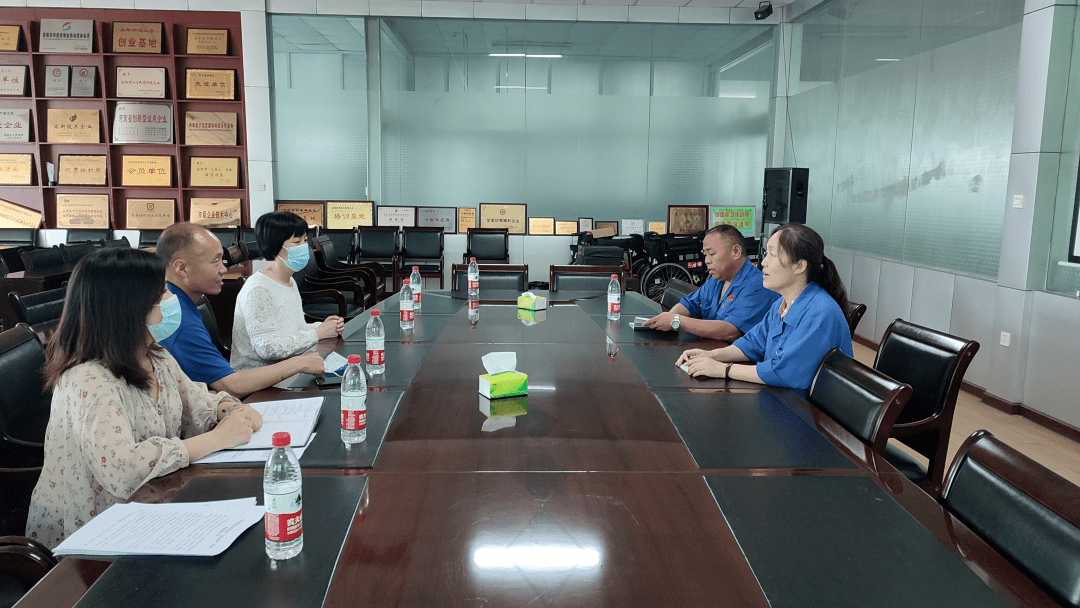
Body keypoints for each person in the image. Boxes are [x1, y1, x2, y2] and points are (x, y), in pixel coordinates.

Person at [26, 247, 263, 549]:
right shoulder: (87, 379)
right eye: (163, 291)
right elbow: (123, 471)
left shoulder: (154, 354)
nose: (171, 298)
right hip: (93, 532)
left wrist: (227, 410)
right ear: (129, 306)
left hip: (152, 504)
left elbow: (195, 400)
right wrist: (217, 439)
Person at [675, 223, 852, 394]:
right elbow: (752, 343)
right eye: (766, 254)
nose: (764, 262)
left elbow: (782, 371)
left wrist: (724, 369)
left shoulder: (819, 313)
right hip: (779, 396)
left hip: (804, 408)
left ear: (799, 266)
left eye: (772, 255)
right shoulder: (781, 304)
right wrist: (711, 355)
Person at [156, 223, 324, 397]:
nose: (223, 269)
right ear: (182, 268)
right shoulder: (177, 320)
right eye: (215, 261)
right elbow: (230, 385)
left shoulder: (175, 300)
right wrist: (299, 363)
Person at [231, 211, 344, 372]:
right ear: (275, 246)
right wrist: (318, 333)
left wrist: (324, 327)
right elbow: (267, 348)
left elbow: (293, 331)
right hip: (261, 377)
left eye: (305, 240)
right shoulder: (258, 289)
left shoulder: (288, 281)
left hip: (289, 367)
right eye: (296, 242)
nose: (304, 247)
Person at [643, 224, 778, 341]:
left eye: (712, 254)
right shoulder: (717, 280)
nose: (707, 260)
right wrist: (670, 317)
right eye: (705, 255)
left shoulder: (757, 285)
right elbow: (690, 303)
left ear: (736, 251)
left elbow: (730, 331)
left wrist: (676, 321)